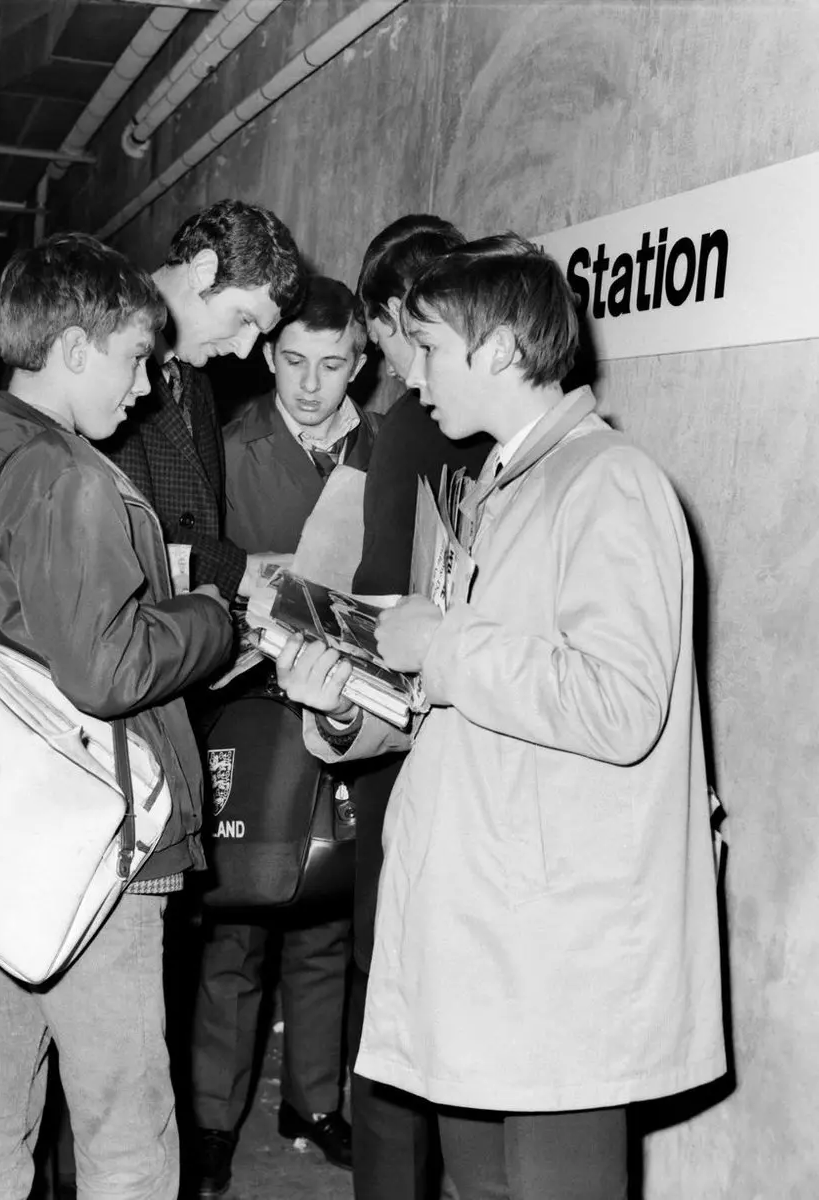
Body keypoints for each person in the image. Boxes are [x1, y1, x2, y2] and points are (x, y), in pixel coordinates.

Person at [277, 235, 726, 1200]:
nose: (411, 374)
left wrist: (443, 644)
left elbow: (619, 704)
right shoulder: (501, 486)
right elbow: (459, 701)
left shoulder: (609, 483)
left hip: (554, 950)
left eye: (429, 348)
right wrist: (346, 706)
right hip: (486, 931)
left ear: (500, 350)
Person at [0, 232, 234, 1200]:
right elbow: (106, 667)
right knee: (126, 1134)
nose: (144, 387)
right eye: (134, 359)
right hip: (93, 854)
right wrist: (210, 621)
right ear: (76, 347)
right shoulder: (73, 479)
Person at [190, 276, 378, 1198]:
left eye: (331, 365)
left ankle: (311, 1101)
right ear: (267, 355)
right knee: (239, 915)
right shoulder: (227, 451)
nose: (309, 385)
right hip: (251, 705)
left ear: (361, 363)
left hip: (349, 708)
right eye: (293, 361)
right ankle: (212, 1119)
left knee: (326, 913)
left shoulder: (385, 451)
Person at [348, 215, 492, 1200]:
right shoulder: (511, 437)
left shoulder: (406, 426)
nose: (392, 364)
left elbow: (378, 595)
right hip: (489, 744)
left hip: (405, 743)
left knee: (387, 992)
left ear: (404, 313)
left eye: (385, 336)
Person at [103, 198, 308, 602]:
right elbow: (112, 535)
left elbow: (193, 521)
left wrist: (247, 565)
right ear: (203, 270)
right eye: (245, 319)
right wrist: (238, 570)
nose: (245, 350)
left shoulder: (195, 373)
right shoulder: (102, 348)